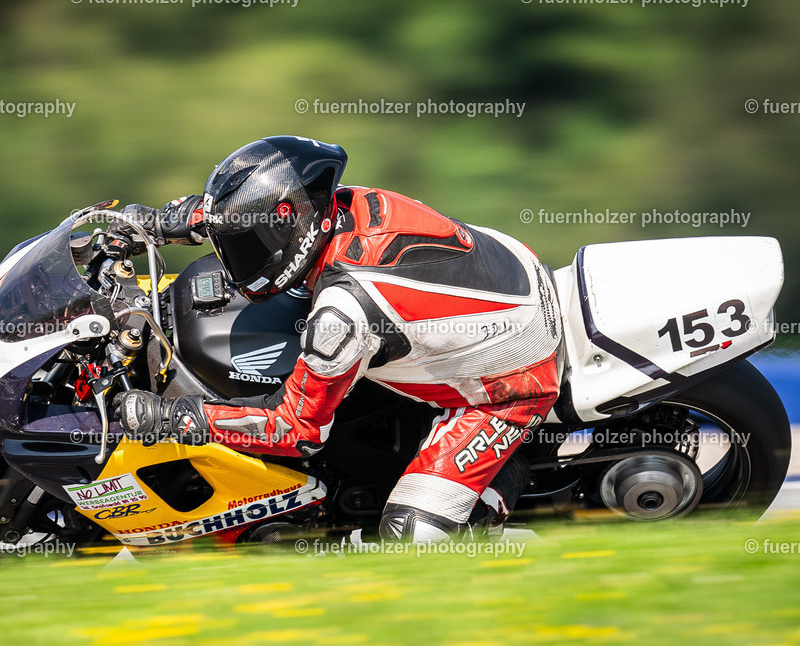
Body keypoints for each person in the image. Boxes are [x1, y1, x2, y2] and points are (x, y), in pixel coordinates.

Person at [111, 135, 562, 542]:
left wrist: (175, 418)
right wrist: (154, 223)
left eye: (250, 244)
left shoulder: (342, 315)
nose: (235, 260)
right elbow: (244, 212)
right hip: (513, 273)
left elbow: (296, 431)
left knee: (413, 537)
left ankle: (501, 481)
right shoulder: (341, 204)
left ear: (291, 225)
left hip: (511, 382)